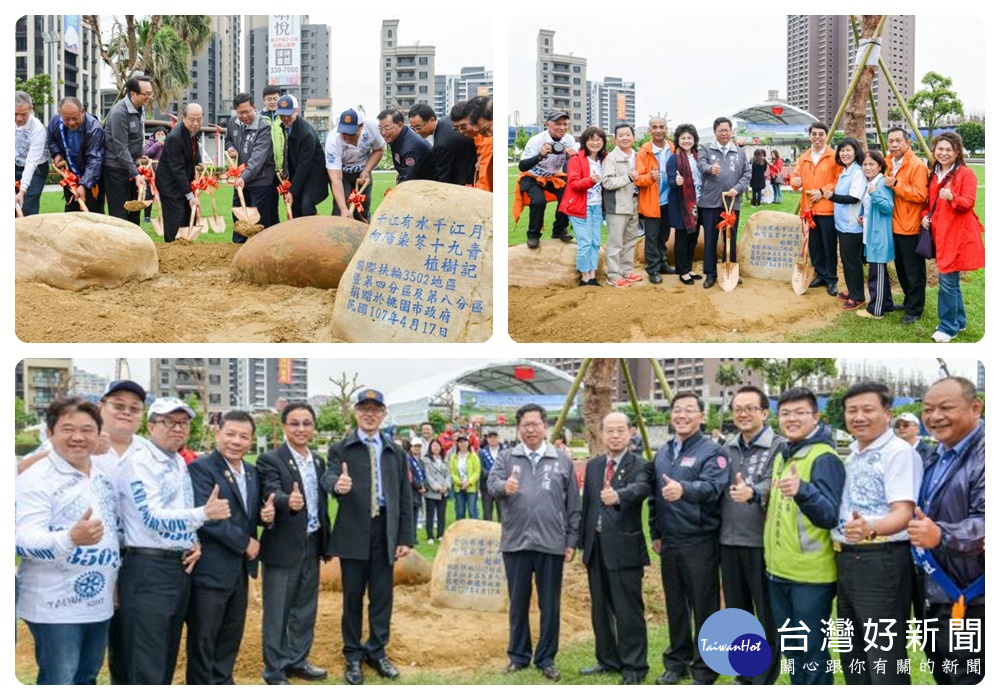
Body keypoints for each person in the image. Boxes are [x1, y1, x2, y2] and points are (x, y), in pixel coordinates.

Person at [111, 397, 232, 685]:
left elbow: (180, 506)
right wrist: (204, 514)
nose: (178, 428)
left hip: (178, 568)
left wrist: (193, 541)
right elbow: (151, 516)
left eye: (184, 423)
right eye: (169, 422)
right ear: (151, 426)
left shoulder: (178, 461)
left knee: (165, 656)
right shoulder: (140, 462)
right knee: (146, 661)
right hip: (148, 568)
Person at [16, 399, 118, 685]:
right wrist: (69, 538)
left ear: (99, 435)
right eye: (67, 429)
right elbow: (20, 539)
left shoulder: (101, 476)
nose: (78, 437)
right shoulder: (36, 478)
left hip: (98, 603)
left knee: (87, 677)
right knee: (59, 680)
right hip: (55, 608)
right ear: (50, 433)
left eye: (87, 429)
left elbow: (111, 532)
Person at [320, 389, 414, 685]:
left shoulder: (395, 451)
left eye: (376, 409)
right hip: (353, 533)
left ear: (383, 414)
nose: (370, 414)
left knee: (382, 596)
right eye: (364, 408)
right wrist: (338, 483)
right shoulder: (341, 448)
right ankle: (352, 654)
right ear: (356, 413)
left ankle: (377, 650)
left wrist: (405, 537)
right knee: (352, 597)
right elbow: (327, 478)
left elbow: (404, 497)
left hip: (385, 530)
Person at [834, 382, 922, 684]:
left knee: (883, 657)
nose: (859, 416)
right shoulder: (854, 454)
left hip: (881, 561)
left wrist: (870, 527)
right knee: (854, 653)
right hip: (849, 560)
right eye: (852, 410)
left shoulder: (897, 452)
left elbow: (903, 513)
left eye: (868, 409)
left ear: (887, 412)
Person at [487, 403, 580, 682]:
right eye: (525, 425)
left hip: (551, 543)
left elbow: (573, 504)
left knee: (550, 604)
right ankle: (518, 655)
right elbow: (491, 484)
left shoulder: (561, 460)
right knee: (518, 602)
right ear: (518, 429)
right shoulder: (506, 457)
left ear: (545, 427)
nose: (531, 429)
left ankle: (546, 658)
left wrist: (571, 540)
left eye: (536, 424)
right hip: (516, 543)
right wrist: (505, 487)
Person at [763, 387, 845, 685]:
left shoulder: (824, 457)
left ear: (816, 417)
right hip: (779, 571)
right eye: (785, 413)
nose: (791, 419)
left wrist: (803, 491)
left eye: (800, 412)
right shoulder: (784, 454)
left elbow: (830, 515)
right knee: (793, 649)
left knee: (812, 653)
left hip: (811, 577)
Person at [649, 391, 729, 685]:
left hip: (700, 541)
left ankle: (705, 669)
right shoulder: (664, 451)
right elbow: (655, 496)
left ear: (702, 416)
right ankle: (677, 662)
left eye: (689, 410)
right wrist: (656, 532)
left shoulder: (712, 452)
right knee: (675, 605)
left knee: (704, 605)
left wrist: (684, 489)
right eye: (677, 410)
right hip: (670, 541)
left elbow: (712, 488)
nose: (682, 415)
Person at [186, 411, 272, 685]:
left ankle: (224, 682)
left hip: (239, 571)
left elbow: (249, 514)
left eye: (243, 436)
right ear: (217, 433)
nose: (236, 441)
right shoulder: (200, 469)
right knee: (204, 639)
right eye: (230, 434)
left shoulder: (252, 471)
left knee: (231, 635)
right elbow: (206, 518)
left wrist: (265, 515)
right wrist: (245, 542)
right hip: (210, 570)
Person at [908, 377, 984, 685]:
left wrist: (942, 534)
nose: (934, 417)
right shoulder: (935, 455)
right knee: (945, 675)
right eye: (928, 409)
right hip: (934, 592)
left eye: (945, 408)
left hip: (973, 596)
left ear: (975, 408)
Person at [257, 403, 332, 685]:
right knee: (278, 612)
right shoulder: (270, 459)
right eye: (294, 423)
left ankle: (297, 660)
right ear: (285, 427)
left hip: (312, 543)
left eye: (306, 423)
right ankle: (274, 671)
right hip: (283, 546)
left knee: (305, 609)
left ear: (313, 426)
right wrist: (287, 500)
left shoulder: (318, 461)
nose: (301, 429)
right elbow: (270, 489)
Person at [577, 412, 652, 685]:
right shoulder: (595, 465)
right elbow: (588, 508)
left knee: (628, 610)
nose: (615, 435)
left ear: (631, 432)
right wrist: (581, 544)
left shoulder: (641, 465)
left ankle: (634, 666)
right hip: (595, 548)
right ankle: (607, 659)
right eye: (610, 430)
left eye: (621, 430)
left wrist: (619, 495)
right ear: (601, 433)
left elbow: (642, 488)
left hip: (624, 549)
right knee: (600, 609)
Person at [720, 386, 784, 685]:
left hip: (763, 544)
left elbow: (777, 482)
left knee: (767, 615)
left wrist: (754, 492)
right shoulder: (727, 449)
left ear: (764, 412)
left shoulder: (779, 447)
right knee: (739, 614)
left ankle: (764, 678)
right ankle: (744, 674)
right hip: (729, 541)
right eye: (738, 409)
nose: (743, 414)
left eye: (750, 408)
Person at [922, 131, 985, 343]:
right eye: (940, 148)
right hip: (941, 232)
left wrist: (952, 197)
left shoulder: (965, 174)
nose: (944, 153)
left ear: (957, 152)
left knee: (947, 279)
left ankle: (948, 327)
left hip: (958, 235)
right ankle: (959, 321)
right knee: (952, 282)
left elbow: (968, 203)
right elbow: (929, 204)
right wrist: (924, 217)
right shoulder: (934, 172)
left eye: (949, 149)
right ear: (934, 150)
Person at [697, 117, 751, 289]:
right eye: (721, 130)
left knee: (730, 239)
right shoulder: (706, 148)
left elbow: (747, 174)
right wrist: (710, 169)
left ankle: (731, 270)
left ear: (731, 131)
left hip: (731, 202)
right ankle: (710, 274)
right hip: (710, 203)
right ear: (715, 132)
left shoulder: (740, 153)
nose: (724, 133)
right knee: (711, 239)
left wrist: (738, 188)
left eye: (727, 130)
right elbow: (701, 164)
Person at [884, 127, 929, 325]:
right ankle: (909, 301)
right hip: (893, 224)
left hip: (910, 225)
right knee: (901, 268)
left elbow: (920, 195)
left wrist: (895, 185)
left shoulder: (916, 165)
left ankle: (915, 309)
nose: (894, 144)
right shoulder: (888, 163)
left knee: (913, 270)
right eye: (891, 141)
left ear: (907, 143)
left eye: (898, 141)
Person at [790, 122, 840, 297]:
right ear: (809, 136)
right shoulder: (803, 158)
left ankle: (832, 279)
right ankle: (820, 274)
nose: (817, 137)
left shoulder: (834, 156)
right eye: (814, 134)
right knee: (814, 246)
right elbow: (795, 177)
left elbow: (838, 180)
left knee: (829, 245)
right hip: (808, 209)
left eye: (821, 134)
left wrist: (822, 192)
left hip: (827, 209)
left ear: (826, 136)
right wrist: (794, 182)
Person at [515, 111, 578, 248]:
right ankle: (533, 235)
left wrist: (572, 157)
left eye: (565, 124)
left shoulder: (569, 140)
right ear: (547, 124)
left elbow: (573, 166)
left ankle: (559, 230)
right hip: (531, 176)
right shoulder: (537, 140)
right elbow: (522, 166)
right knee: (538, 201)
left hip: (553, 176)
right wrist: (541, 155)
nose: (562, 127)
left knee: (569, 195)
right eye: (557, 124)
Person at [557, 125, 606, 286]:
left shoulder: (604, 159)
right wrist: (590, 181)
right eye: (591, 139)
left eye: (599, 139)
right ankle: (585, 276)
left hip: (597, 205)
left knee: (595, 241)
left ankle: (592, 274)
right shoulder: (576, 159)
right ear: (585, 141)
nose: (595, 143)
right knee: (585, 241)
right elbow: (574, 184)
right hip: (579, 206)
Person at [225, 92, 276, 243]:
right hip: (241, 179)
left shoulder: (263, 126)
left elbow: (257, 159)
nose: (244, 115)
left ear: (254, 107)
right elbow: (228, 139)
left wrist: (244, 178)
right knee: (238, 216)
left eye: (248, 111)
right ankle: (237, 247)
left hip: (260, 180)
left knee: (258, 220)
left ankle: (259, 250)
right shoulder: (233, 122)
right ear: (236, 111)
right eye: (241, 112)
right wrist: (231, 148)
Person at [103, 75, 152, 223]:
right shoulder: (120, 113)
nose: (149, 97)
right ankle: (119, 246)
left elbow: (135, 139)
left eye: (150, 93)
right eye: (146, 94)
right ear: (132, 94)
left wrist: (140, 156)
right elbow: (121, 148)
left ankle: (134, 245)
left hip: (130, 167)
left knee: (134, 212)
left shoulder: (139, 109)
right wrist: (136, 174)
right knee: (120, 214)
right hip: (116, 168)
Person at [825, 138, 867, 310]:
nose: (844, 153)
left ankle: (858, 297)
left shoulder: (858, 171)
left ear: (856, 152)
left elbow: (854, 197)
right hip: (842, 224)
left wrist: (832, 197)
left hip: (852, 225)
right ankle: (852, 290)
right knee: (846, 259)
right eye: (842, 150)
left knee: (852, 262)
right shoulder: (844, 170)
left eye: (848, 150)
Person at [46, 96, 105, 213]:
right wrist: (57, 153)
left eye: (75, 118)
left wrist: (84, 185)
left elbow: (95, 160)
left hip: (92, 178)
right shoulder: (56, 122)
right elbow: (51, 138)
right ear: (60, 114)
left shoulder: (94, 128)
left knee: (93, 213)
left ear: (83, 111)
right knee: (71, 210)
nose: (71, 123)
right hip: (70, 175)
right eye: (66, 119)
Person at [856, 150, 896, 320]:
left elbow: (888, 207)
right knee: (880, 273)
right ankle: (886, 303)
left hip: (879, 235)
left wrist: (874, 193)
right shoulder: (871, 182)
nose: (868, 167)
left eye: (872, 164)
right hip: (871, 232)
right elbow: (870, 207)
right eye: (865, 164)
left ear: (880, 166)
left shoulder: (880, 184)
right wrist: (862, 215)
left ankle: (876, 310)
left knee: (876, 274)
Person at [326, 108, 385, 222]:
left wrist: (367, 170)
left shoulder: (372, 128)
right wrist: (344, 209)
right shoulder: (333, 140)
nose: (347, 138)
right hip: (342, 174)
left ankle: (362, 237)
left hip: (363, 171)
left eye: (351, 134)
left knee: (363, 209)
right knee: (340, 211)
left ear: (361, 126)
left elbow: (379, 150)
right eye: (344, 133)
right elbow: (336, 179)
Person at [602, 123, 642, 289]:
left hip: (634, 202)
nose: (625, 138)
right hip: (618, 205)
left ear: (633, 137)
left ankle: (626, 271)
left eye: (628, 134)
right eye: (621, 135)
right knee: (615, 242)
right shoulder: (611, 158)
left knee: (630, 240)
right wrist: (628, 178)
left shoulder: (637, 155)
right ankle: (613, 275)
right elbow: (607, 182)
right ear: (615, 139)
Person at [156, 103, 203, 243]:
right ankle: (172, 250)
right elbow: (177, 170)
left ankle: (186, 253)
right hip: (169, 184)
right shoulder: (175, 137)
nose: (196, 123)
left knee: (189, 215)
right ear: (183, 118)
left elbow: (193, 151)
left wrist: (198, 162)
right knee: (176, 216)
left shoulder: (193, 133)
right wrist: (190, 196)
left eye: (199, 119)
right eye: (192, 119)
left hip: (182, 181)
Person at [636, 117, 676, 282]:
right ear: (649, 130)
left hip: (669, 201)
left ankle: (662, 263)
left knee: (664, 235)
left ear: (666, 129)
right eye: (654, 127)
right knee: (651, 237)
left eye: (661, 127)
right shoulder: (643, 152)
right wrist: (650, 178)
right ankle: (652, 269)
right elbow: (638, 178)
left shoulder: (673, 148)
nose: (658, 130)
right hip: (652, 202)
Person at [276, 94, 329, 218]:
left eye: (288, 114)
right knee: (296, 208)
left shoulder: (306, 134)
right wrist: (285, 171)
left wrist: (292, 191)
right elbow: (288, 151)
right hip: (298, 173)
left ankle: (314, 233)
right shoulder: (286, 126)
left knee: (306, 206)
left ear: (297, 111)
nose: (284, 118)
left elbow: (304, 165)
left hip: (313, 175)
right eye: (281, 115)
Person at [666, 124, 703, 286]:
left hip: (698, 203)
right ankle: (682, 271)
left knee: (693, 238)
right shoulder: (674, 158)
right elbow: (670, 181)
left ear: (694, 139)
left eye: (689, 138)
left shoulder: (698, 157)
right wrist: (677, 181)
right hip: (681, 204)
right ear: (678, 140)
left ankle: (689, 267)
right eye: (683, 138)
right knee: (682, 238)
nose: (686, 141)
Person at [408, 102, 476, 186]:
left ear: (432, 120)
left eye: (419, 127)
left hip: (465, 182)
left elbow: (443, 179)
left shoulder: (441, 144)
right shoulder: (445, 120)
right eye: (413, 128)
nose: (417, 132)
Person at [376, 108, 434, 184]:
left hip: (428, 186)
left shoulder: (411, 147)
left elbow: (407, 181)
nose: (383, 132)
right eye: (380, 128)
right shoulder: (399, 136)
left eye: (387, 128)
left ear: (400, 125)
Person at [14, 90, 49, 216]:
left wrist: (22, 190)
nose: (19, 118)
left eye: (24, 114)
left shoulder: (38, 129)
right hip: (15, 165)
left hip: (36, 169)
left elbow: (31, 162)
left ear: (31, 109)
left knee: (28, 204)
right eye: (15, 114)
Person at [258, 85, 284, 227]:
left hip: (283, 169)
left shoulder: (284, 116)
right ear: (263, 100)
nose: (272, 102)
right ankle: (271, 230)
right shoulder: (259, 118)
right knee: (270, 203)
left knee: (289, 200)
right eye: (269, 99)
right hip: (267, 169)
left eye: (275, 99)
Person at [422, 438, 449, 544]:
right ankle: (430, 536)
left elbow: (448, 474)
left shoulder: (444, 459)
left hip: (444, 491)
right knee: (430, 514)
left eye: (438, 445)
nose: (436, 448)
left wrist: (446, 486)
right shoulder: (426, 460)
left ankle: (440, 534)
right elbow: (427, 476)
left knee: (441, 514)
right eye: (434, 446)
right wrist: (437, 487)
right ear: (430, 447)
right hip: (432, 492)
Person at [449, 435, 480, 520]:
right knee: (460, 511)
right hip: (459, 487)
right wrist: (460, 482)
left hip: (471, 487)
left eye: (464, 442)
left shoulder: (473, 456)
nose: (462, 444)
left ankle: (474, 530)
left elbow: (477, 472)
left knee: (472, 510)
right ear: (457, 444)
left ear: (468, 443)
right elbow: (452, 473)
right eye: (460, 442)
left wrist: (468, 482)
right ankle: (460, 531)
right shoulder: (453, 457)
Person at [478, 429, 503, 522]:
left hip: (501, 485)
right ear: (487, 439)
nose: (492, 439)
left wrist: (498, 475)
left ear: (498, 438)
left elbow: (507, 467)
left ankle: (502, 533)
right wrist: (492, 475)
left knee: (502, 511)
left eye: (494, 437)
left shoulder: (504, 451)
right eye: (490, 437)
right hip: (486, 486)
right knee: (487, 512)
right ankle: (487, 535)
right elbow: (480, 468)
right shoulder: (482, 452)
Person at [406, 438, 426, 538]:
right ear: (411, 447)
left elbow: (423, 474)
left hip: (418, 491)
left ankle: (414, 536)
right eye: (415, 446)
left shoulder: (420, 461)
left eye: (419, 446)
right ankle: (410, 536)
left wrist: (423, 485)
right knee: (410, 516)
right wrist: (418, 485)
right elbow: (409, 475)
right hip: (411, 490)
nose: (417, 448)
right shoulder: (407, 459)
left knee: (415, 514)